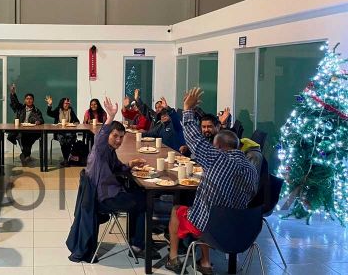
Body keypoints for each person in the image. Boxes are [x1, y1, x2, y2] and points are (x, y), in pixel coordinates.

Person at [166, 88, 259, 274]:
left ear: (219, 147)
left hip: (212, 227)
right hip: (241, 229)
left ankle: (173, 258)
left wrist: (187, 109)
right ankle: (206, 263)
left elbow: (194, 139)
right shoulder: (252, 169)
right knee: (209, 206)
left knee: (179, 209)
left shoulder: (218, 158)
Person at [86, 97, 151, 258]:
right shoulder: (101, 148)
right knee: (145, 202)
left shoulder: (109, 151)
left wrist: (131, 163)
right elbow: (100, 136)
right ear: (108, 135)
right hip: (105, 197)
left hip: (104, 193)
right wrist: (110, 116)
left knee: (138, 192)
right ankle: (138, 246)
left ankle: (135, 239)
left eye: (121, 137)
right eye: (115, 136)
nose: (118, 140)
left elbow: (117, 167)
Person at [7, 83, 44, 165]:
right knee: (24, 137)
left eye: (30, 99)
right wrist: (13, 93)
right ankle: (26, 156)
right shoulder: (20, 108)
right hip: (21, 130)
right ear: (25, 100)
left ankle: (24, 155)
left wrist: (39, 122)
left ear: (33, 100)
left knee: (27, 138)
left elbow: (41, 120)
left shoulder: (36, 110)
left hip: (32, 131)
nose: (29, 100)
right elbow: (14, 103)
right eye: (27, 99)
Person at [46, 96, 80, 166]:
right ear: (62, 104)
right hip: (59, 132)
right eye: (65, 103)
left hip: (70, 132)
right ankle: (66, 158)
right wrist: (49, 105)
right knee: (63, 140)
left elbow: (77, 121)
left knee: (69, 139)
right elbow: (49, 113)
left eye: (68, 103)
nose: (66, 105)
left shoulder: (70, 111)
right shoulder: (58, 110)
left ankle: (66, 159)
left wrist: (73, 124)